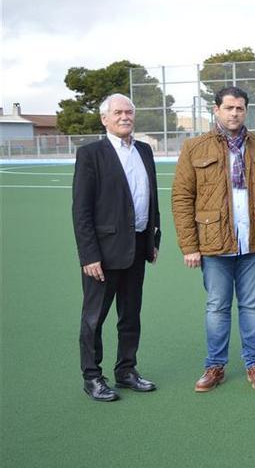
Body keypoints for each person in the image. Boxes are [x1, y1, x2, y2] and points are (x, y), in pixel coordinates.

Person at [171, 86, 255, 393]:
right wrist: (190, 245)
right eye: (229, 108)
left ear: (245, 111)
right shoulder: (195, 147)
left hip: (254, 242)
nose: (235, 113)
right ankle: (215, 366)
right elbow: (182, 198)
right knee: (217, 307)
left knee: (251, 306)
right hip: (213, 243)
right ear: (216, 110)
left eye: (240, 108)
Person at [73, 93, 161, 402]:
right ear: (105, 119)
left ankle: (126, 370)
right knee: (94, 318)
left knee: (130, 314)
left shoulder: (144, 151)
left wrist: (153, 239)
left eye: (129, 112)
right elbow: (81, 210)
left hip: (137, 246)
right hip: (104, 253)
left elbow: (151, 199)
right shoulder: (91, 154)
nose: (125, 117)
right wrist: (89, 255)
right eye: (118, 112)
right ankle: (92, 377)